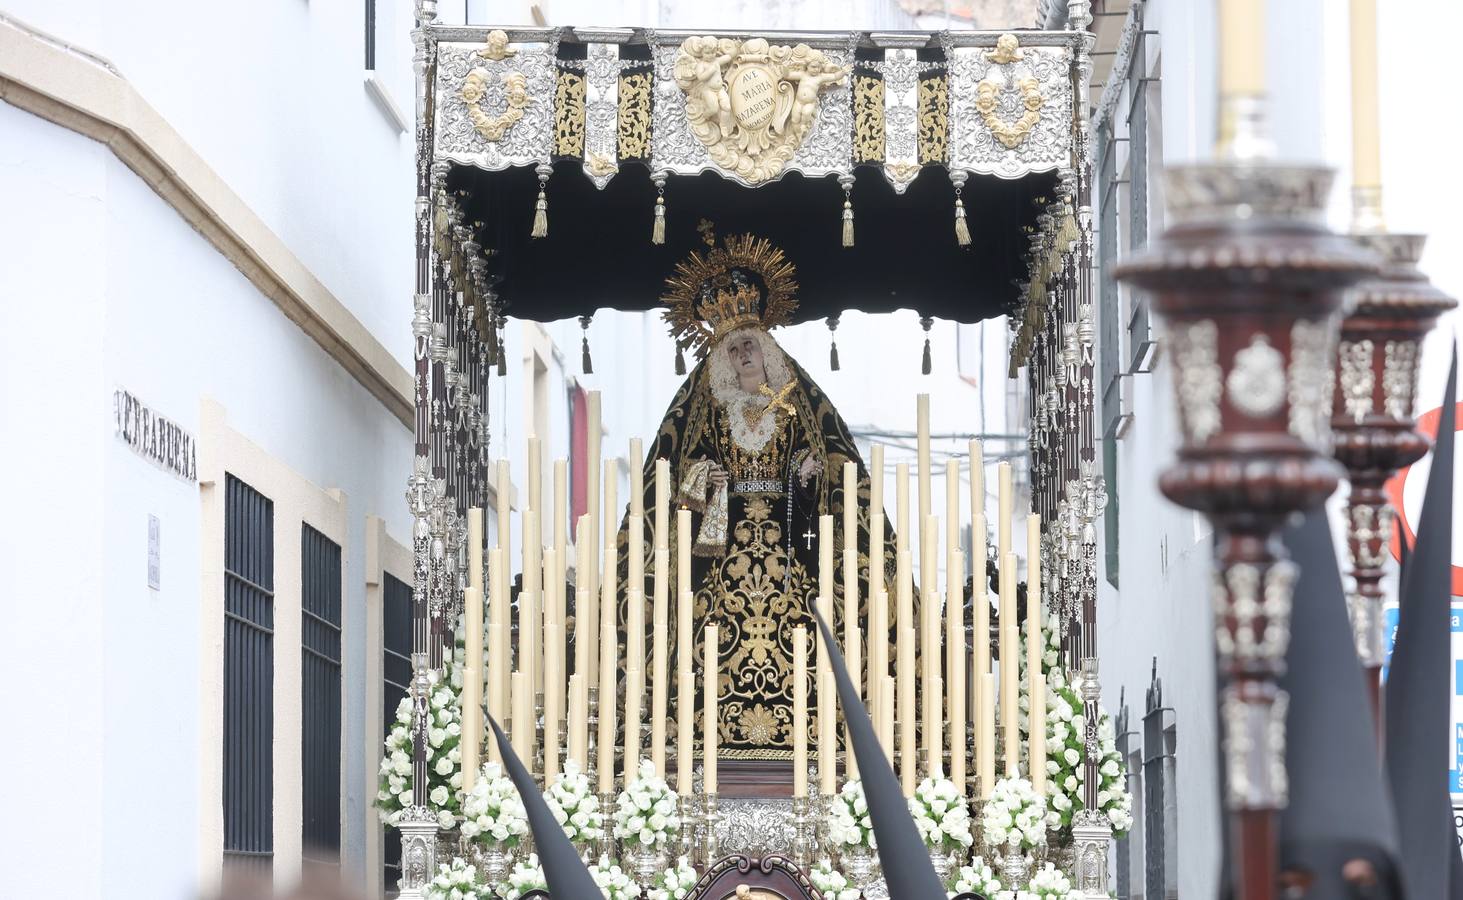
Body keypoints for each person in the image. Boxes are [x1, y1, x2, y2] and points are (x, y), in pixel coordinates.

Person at [617, 228, 899, 762]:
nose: (745, 353)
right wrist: (705, 479)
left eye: (752, 345)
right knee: (707, 631)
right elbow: (672, 473)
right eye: (735, 348)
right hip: (724, 552)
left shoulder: (794, 409)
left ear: (768, 352)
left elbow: (832, 467)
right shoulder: (713, 409)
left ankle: (810, 732)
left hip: (788, 545)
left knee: (803, 631)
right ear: (723, 359)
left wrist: (807, 472)